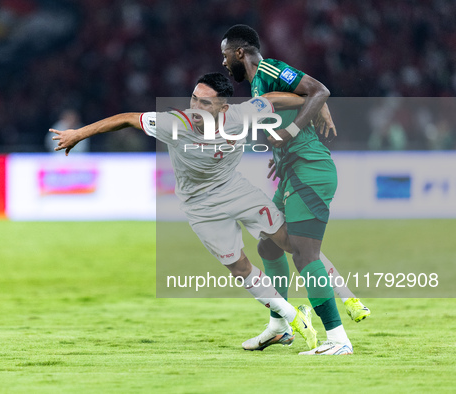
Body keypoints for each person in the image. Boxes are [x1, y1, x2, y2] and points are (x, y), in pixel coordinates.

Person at [52, 73, 321, 352]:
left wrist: (312, 101)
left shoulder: (240, 115)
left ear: (222, 108)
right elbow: (127, 118)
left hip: (234, 188)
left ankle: (340, 306)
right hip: (201, 206)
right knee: (239, 267)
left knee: (292, 241)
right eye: (193, 98)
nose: (195, 107)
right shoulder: (175, 123)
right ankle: (290, 319)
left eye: (205, 103)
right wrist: (79, 134)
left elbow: (269, 100)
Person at [221, 24, 369, 355]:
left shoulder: (269, 69)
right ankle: (279, 326)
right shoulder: (259, 84)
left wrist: (288, 134)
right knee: (269, 247)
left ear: (240, 52)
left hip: (310, 171)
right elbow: (304, 98)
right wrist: (281, 153)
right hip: (291, 171)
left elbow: (319, 91)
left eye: (225, 54)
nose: (224, 62)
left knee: (304, 255)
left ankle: (338, 339)